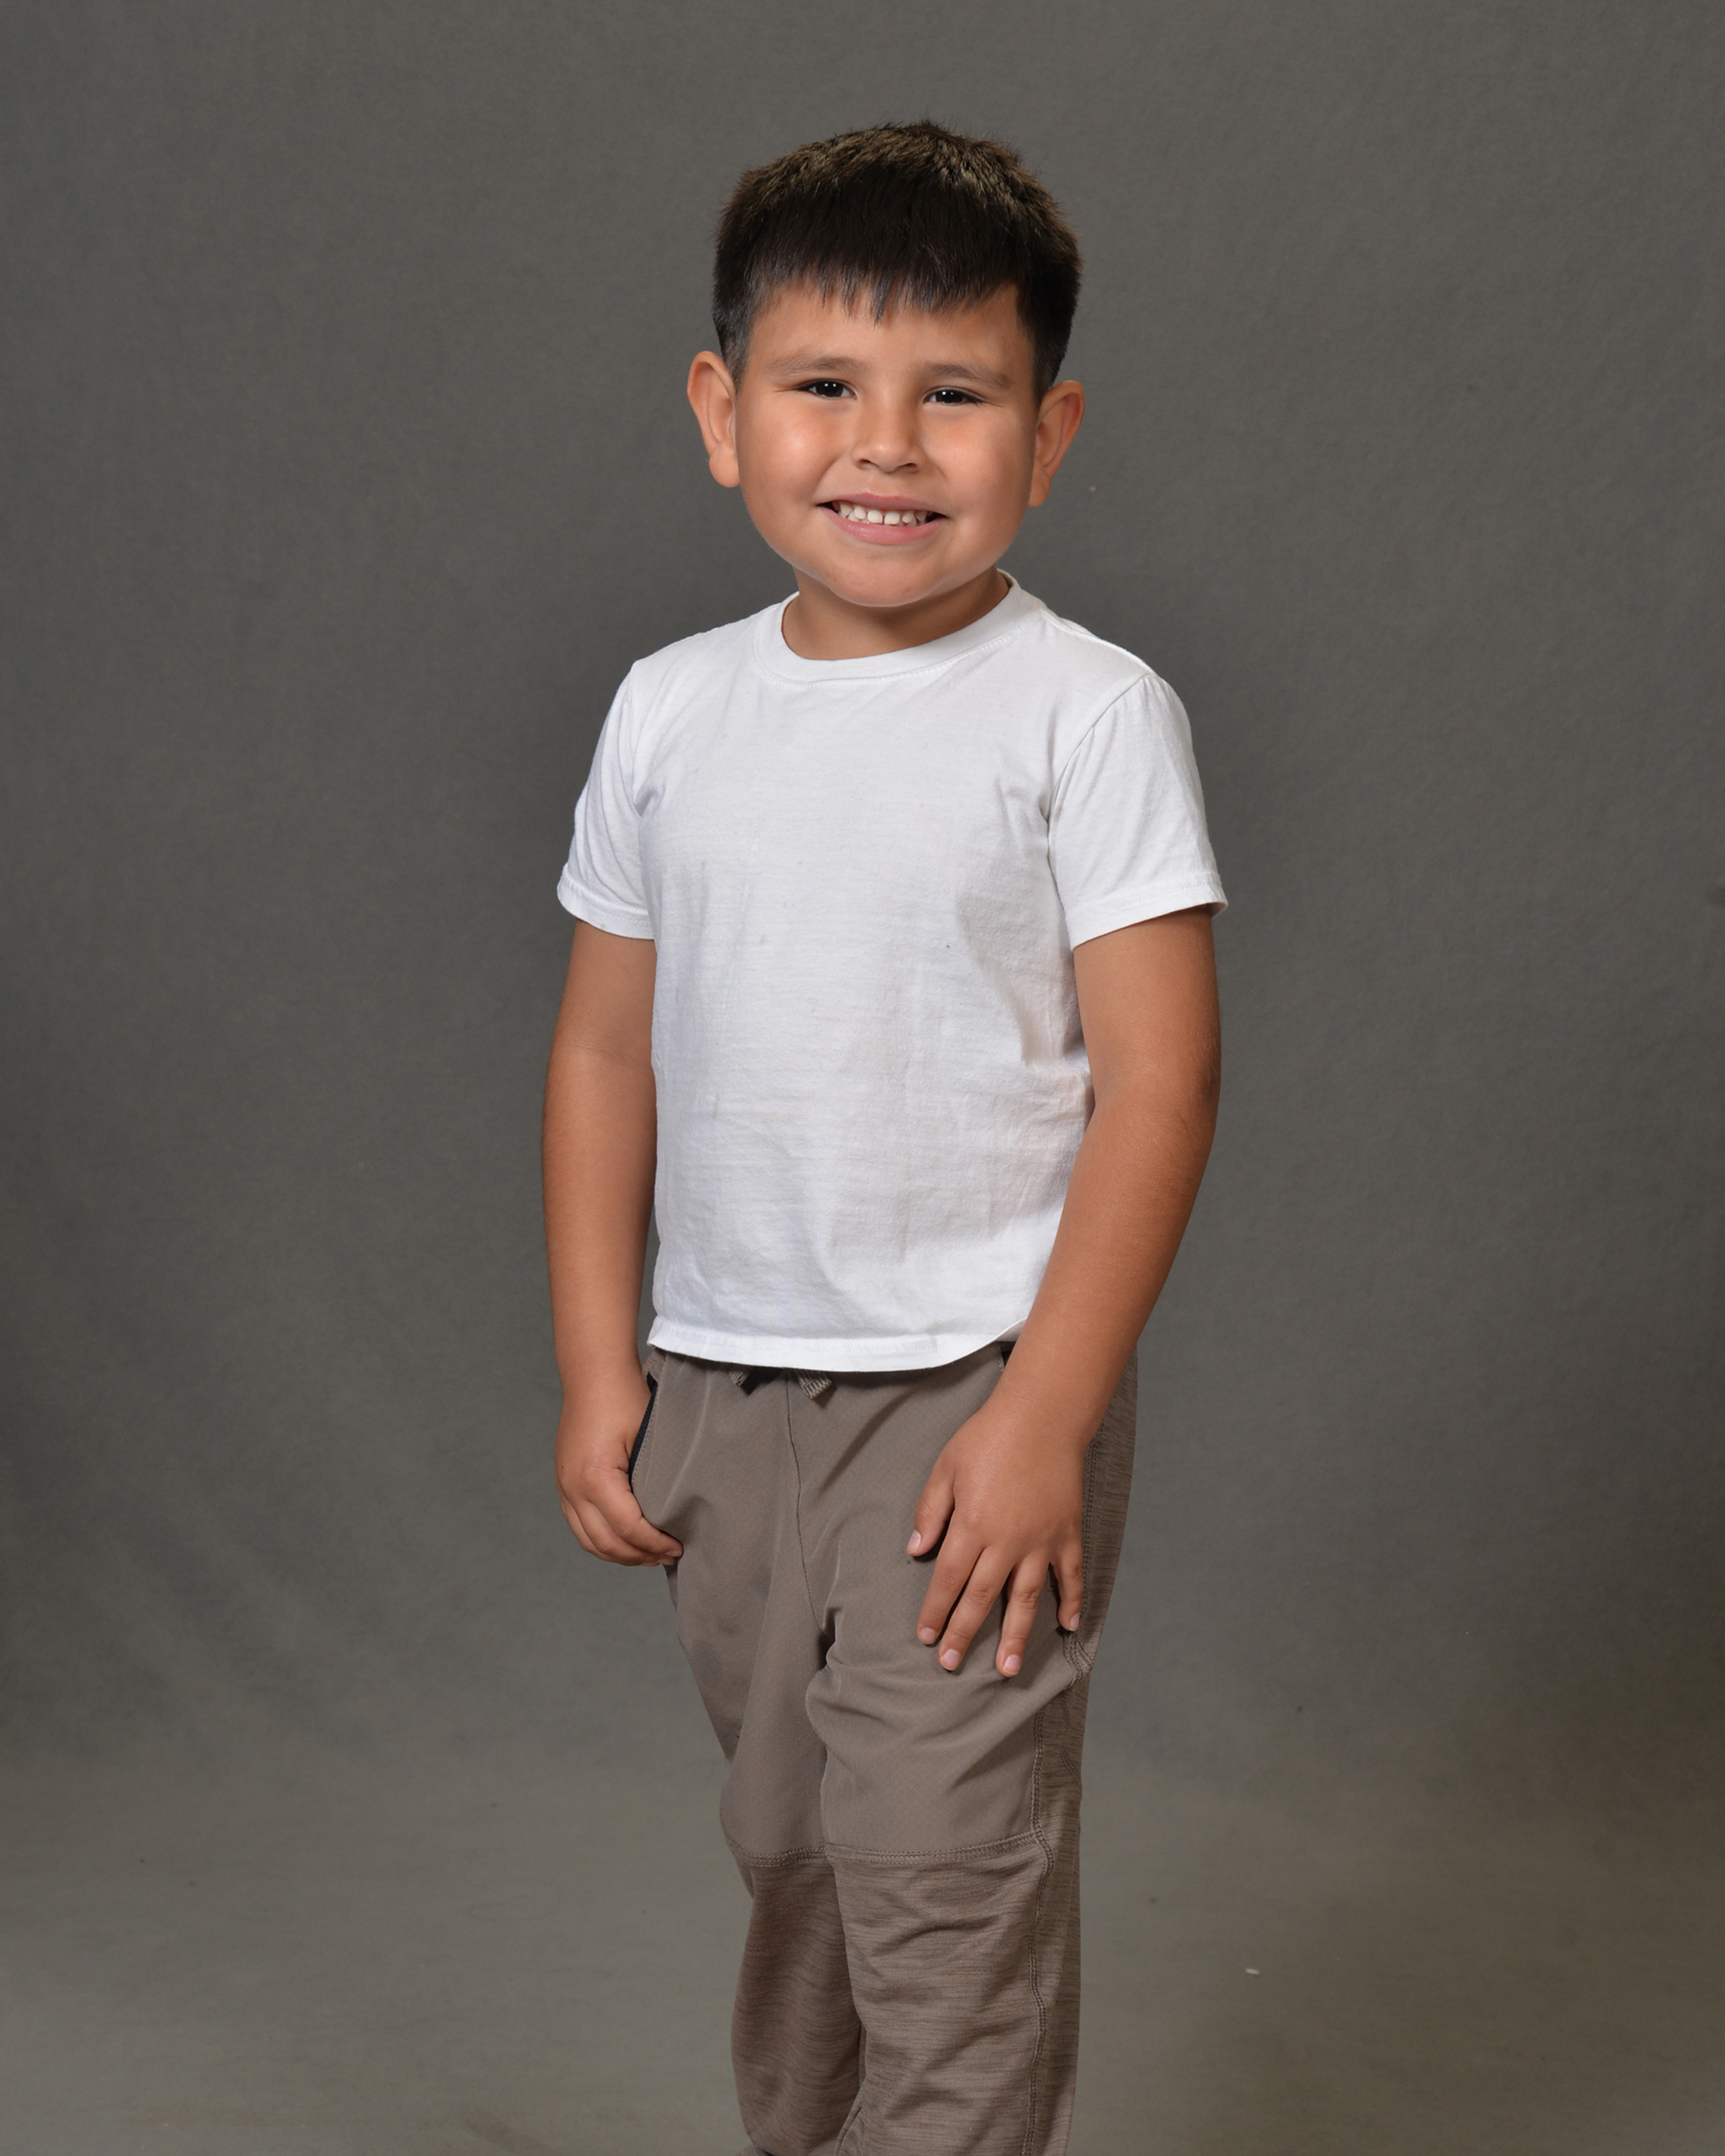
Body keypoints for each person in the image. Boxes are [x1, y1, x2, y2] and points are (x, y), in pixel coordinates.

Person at [543, 121, 1225, 2156]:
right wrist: (598, 1364)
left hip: (972, 1393)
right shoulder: (669, 711)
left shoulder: (1085, 715)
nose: (887, 447)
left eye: (957, 395)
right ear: (720, 411)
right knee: (799, 1853)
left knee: (943, 1870)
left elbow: (1162, 1083)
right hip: (722, 1383)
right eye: (826, 383)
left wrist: (1047, 1414)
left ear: (1051, 433)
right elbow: (603, 1052)